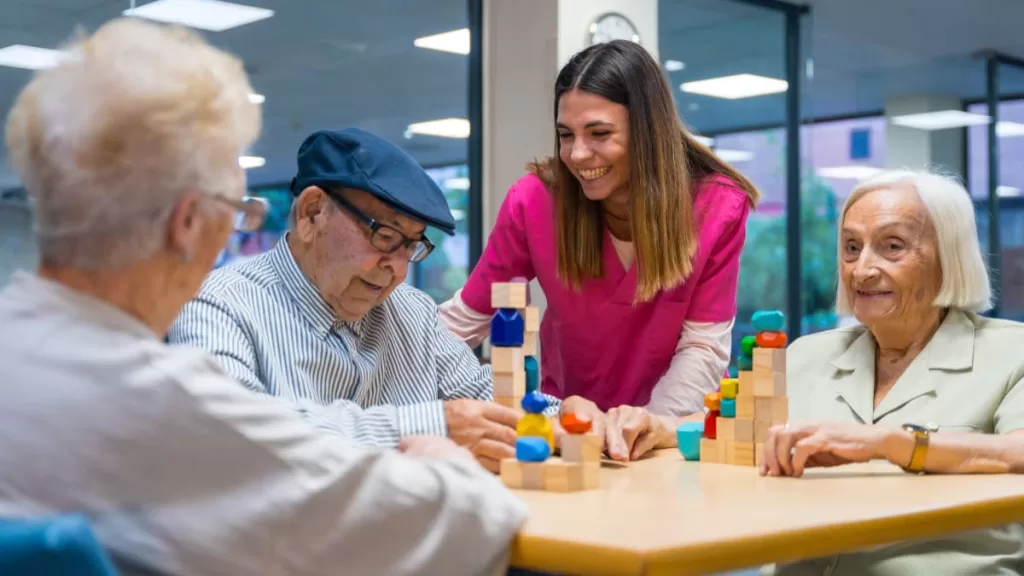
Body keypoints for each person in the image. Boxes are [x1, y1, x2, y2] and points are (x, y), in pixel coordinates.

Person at [0, 18, 526, 576]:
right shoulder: (171, 408)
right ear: (187, 222)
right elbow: (469, 527)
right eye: (236, 207)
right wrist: (441, 453)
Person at [167, 127, 550, 473]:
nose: (398, 269)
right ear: (312, 213)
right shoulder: (218, 306)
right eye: (385, 236)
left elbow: (492, 398)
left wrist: (572, 420)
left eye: (412, 246)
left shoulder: (412, 314)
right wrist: (437, 425)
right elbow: (234, 434)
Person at [440, 39, 760, 450]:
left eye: (600, 133)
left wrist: (649, 425)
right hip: (566, 428)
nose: (577, 154)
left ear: (647, 132)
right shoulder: (536, 201)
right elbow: (465, 320)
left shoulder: (717, 206)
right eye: (565, 134)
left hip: (661, 434)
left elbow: (702, 346)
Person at [761, 170, 1024, 575]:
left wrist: (886, 443)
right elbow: (729, 425)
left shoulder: (1012, 352)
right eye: (851, 247)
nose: (862, 269)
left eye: (892, 247)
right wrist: (659, 427)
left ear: (948, 258)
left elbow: (1017, 454)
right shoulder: (807, 354)